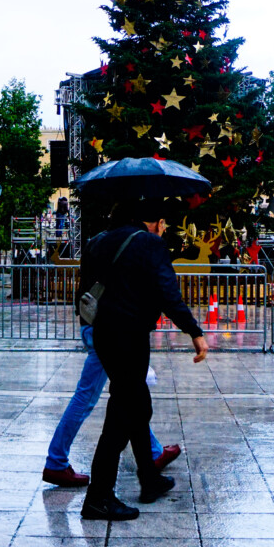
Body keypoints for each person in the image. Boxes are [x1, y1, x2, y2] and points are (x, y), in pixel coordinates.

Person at [79, 199, 208, 521]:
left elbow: (82, 290)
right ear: (150, 222)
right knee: (123, 412)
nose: (164, 228)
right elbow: (168, 292)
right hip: (129, 334)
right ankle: (98, 498)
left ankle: (149, 479)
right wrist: (194, 331)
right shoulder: (149, 244)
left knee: (137, 405)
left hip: (104, 334)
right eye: (163, 222)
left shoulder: (97, 241)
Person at [42, 323, 181, 487]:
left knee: (128, 394)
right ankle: (56, 461)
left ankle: (154, 451)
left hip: (96, 327)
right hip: (106, 330)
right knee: (96, 397)